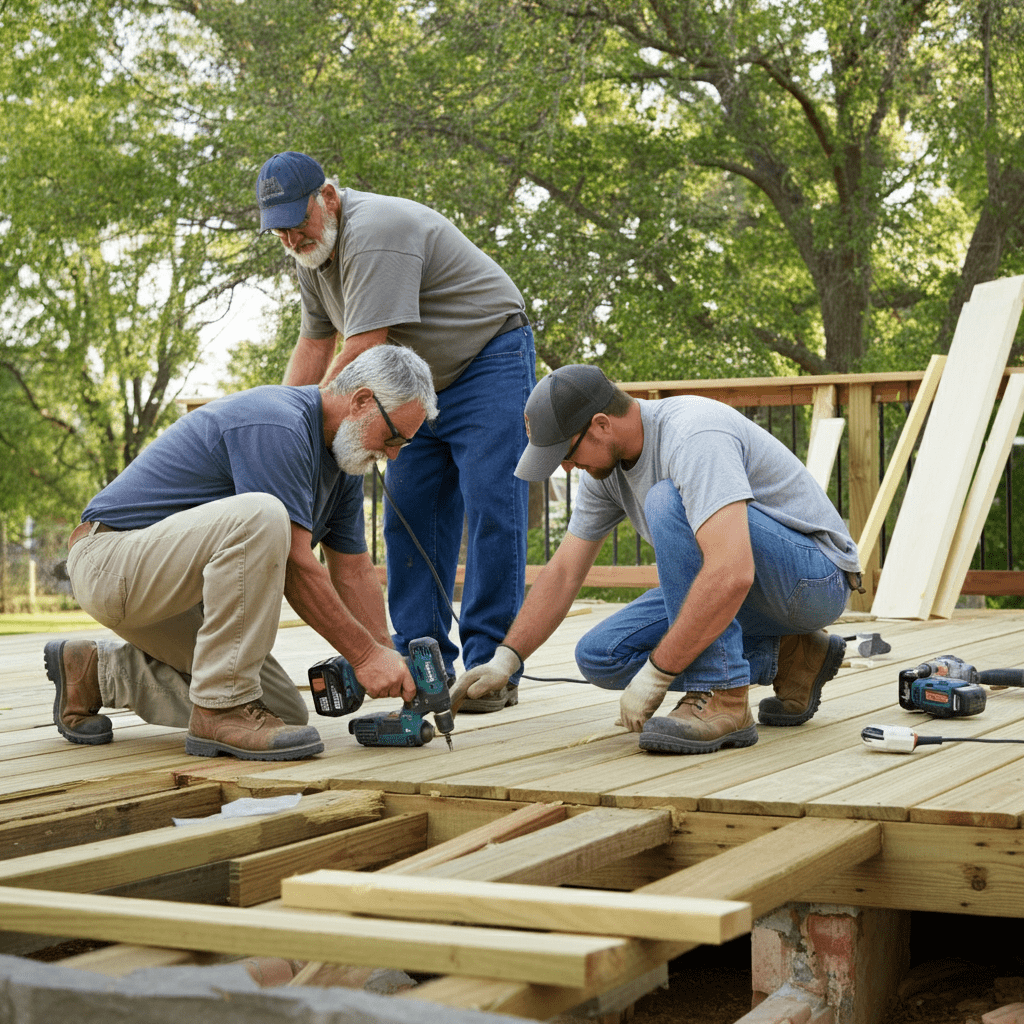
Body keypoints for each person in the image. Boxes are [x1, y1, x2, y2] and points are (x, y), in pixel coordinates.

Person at [45, 345, 438, 761]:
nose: (392, 454)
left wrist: (386, 658)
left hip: (174, 592)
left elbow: (354, 572)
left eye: (403, 445)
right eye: (393, 436)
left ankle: (95, 674)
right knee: (264, 515)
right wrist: (362, 656)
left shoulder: (343, 468)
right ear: (361, 400)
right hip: (110, 562)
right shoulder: (278, 423)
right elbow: (295, 566)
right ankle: (219, 709)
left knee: (284, 712)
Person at [451, 364, 862, 754]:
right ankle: (791, 656)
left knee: (666, 500)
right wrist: (506, 659)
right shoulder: (604, 471)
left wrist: (659, 671)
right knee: (601, 655)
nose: (565, 466)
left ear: (601, 424)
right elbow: (563, 573)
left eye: (567, 452)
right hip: (750, 589)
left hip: (814, 580)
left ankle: (725, 695)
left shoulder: (693, 433)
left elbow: (732, 572)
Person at [255, 151, 536, 712]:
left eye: (298, 221)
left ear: (328, 197)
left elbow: (362, 349)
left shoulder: (376, 230)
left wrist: (315, 425)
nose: (290, 238)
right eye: (279, 229)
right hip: (407, 382)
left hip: (486, 358)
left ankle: (489, 667)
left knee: (491, 504)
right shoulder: (313, 255)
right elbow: (315, 345)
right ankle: (422, 662)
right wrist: (286, 417)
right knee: (411, 516)